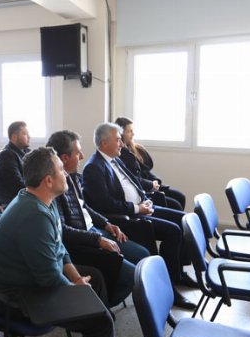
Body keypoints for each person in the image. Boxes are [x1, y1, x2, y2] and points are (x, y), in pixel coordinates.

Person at [0, 147, 151, 337]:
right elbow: (48, 279)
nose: (66, 172)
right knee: (100, 323)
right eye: (60, 170)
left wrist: (76, 280)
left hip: (37, 282)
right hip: (22, 296)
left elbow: (59, 248)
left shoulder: (44, 201)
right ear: (48, 180)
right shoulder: (33, 215)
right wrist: (74, 290)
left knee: (94, 279)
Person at [82, 123, 195, 310]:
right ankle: (168, 287)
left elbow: (134, 182)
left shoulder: (116, 159)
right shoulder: (93, 168)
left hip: (141, 207)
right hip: (127, 217)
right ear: (103, 143)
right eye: (117, 140)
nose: (121, 143)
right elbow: (104, 204)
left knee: (182, 220)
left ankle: (177, 274)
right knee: (173, 231)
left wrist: (145, 199)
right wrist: (137, 208)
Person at [47, 130, 150, 307]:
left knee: (143, 255)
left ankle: (104, 300)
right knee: (135, 276)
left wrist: (106, 223)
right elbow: (62, 231)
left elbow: (84, 207)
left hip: (96, 231)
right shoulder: (55, 187)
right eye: (78, 153)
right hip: (84, 241)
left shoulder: (73, 177)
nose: (82, 156)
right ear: (64, 158)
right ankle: (102, 305)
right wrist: (97, 239)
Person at [115, 117, 187, 211]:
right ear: (121, 134)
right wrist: (150, 184)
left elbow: (147, 170)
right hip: (143, 189)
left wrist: (156, 181)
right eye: (130, 131)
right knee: (175, 205)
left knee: (180, 196)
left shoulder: (136, 148)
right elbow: (133, 178)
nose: (133, 134)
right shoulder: (121, 154)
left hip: (150, 185)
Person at [0, 121, 30, 206]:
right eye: (25, 134)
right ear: (14, 137)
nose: (29, 136)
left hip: (25, 196)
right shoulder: (6, 156)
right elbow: (17, 185)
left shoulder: (26, 152)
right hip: (13, 201)